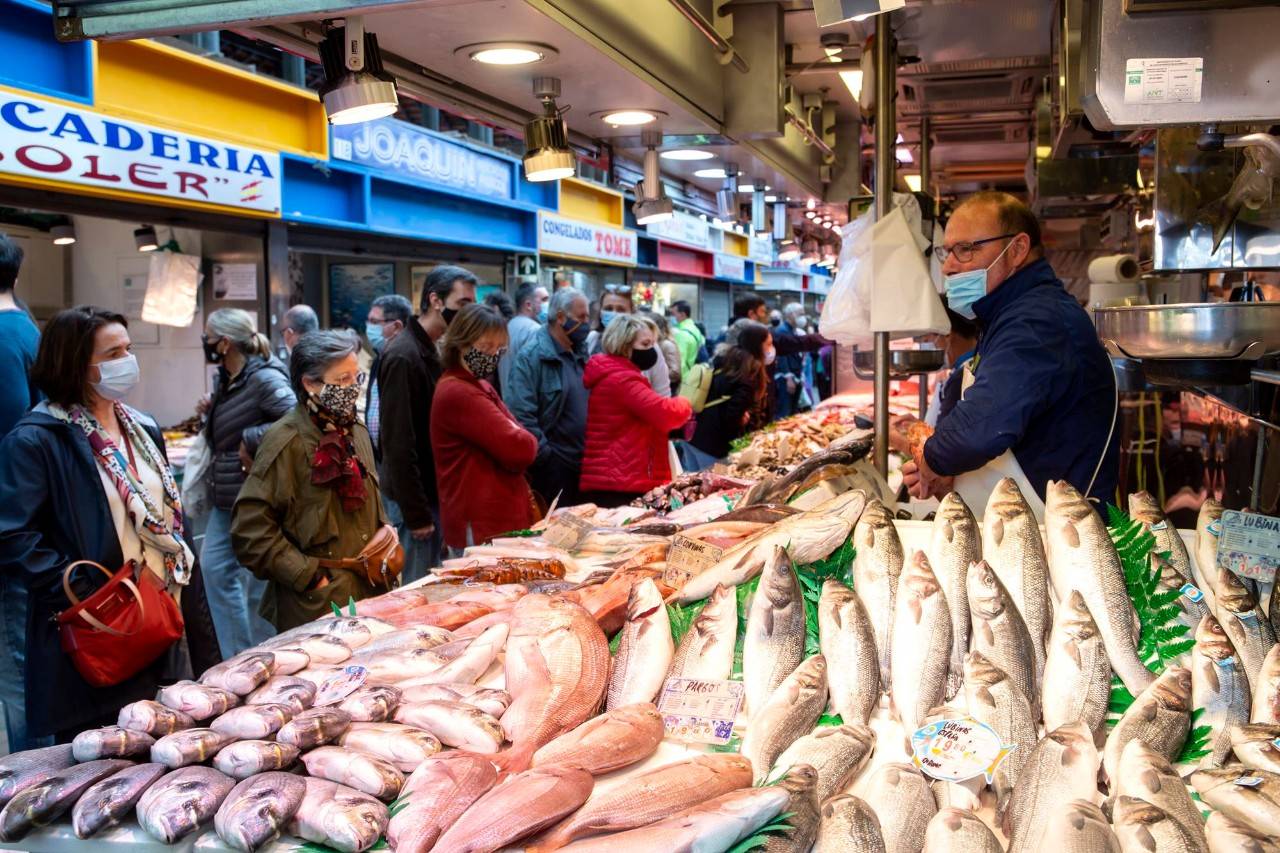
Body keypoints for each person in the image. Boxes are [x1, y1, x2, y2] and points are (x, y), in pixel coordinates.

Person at [0, 306, 219, 742]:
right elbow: (13, 534)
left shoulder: (141, 425)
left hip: (166, 614)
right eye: (113, 352)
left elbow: (169, 516)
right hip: (104, 626)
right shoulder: (38, 438)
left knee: (172, 737)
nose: (127, 361)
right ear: (76, 364)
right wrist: (85, 594)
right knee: (108, 750)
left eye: (128, 348)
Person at [900, 191, 1120, 511]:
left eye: (965, 250)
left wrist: (933, 459)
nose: (947, 267)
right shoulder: (1005, 317)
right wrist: (943, 470)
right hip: (1025, 522)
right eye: (945, 252)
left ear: (1016, 249)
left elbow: (980, 430)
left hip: (1060, 535)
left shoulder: (1037, 321)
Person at [231, 331, 389, 630]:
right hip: (317, 609)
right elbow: (251, 533)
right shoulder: (286, 440)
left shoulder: (354, 429)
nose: (353, 389)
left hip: (370, 596)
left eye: (357, 378)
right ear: (310, 384)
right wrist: (311, 576)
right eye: (342, 380)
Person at [198, 308, 294, 658]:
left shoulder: (263, 378)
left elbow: (295, 418)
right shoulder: (228, 378)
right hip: (228, 494)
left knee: (257, 583)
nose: (205, 342)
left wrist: (250, 438)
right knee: (215, 570)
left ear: (224, 343)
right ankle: (238, 656)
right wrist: (212, 412)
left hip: (255, 494)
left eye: (208, 335)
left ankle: (263, 657)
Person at [378, 265, 477, 581]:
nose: (467, 312)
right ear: (436, 300)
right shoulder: (404, 355)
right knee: (417, 587)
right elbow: (397, 441)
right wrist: (417, 513)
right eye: (462, 304)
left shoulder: (435, 349)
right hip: (416, 500)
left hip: (435, 492)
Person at [432, 305, 539, 552]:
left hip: (495, 522)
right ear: (460, 343)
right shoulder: (460, 392)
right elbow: (521, 448)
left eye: (497, 348)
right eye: (484, 347)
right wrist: (521, 441)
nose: (491, 355)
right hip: (481, 526)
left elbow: (519, 439)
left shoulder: (479, 385)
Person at [580, 315, 693, 507]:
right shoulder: (623, 380)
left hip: (618, 478)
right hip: (619, 483)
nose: (652, 350)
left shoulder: (618, 375)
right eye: (646, 344)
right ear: (625, 345)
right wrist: (686, 402)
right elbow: (666, 413)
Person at [0, 234, 42, 751]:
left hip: (14, 529)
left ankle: (30, 786)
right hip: (33, 525)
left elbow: (11, 439)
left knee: (16, 661)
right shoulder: (30, 330)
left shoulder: (7, 339)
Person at [505, 287, 591, 508]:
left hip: (583, 465)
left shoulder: (580, 351)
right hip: (555, 469)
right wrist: (547, 457)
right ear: (561, 318)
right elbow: (521, 414)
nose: (587, 323)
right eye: (581, 317)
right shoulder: (532, 356)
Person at [688, 322, 774, 466]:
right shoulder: (749, 372)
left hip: (694, 435)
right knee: (708, 486)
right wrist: (741, 419)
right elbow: (732, 416)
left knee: (690, 482)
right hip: (712, 444)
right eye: (769, 344)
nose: (771, 349)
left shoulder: (728, 359)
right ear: (756, 345)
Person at [364, 293, 412, 461]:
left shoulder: (405, 361)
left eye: (375, 322)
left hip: (402, 462)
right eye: (368, 321)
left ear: (397, 326)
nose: (369, 327)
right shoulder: (380, 358)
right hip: (383, 461)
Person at [499, 281, 547, 390]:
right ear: (528, 305)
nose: (547, 304)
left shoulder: (509, 326)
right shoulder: (535, 330)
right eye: (544, 300)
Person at [641, 309, 681, 394]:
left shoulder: (667, 344)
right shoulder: (654, 342)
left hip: (668, 389)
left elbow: (675, 372)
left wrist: (658, 374)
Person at [668, 300, 706, 374]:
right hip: (692, 375)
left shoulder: (682, 334)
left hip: (684, 379)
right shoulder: (695, 329)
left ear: (682, 314)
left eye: (673, 314)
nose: (671, 317)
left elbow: (680, 363)